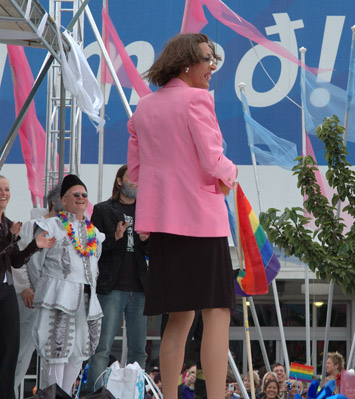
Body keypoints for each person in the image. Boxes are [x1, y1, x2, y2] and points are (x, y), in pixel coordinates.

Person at [127, 33, 237, 399]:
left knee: (178, 317)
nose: (212, 67)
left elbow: (136, 172)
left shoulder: (144, 107)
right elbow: (213, 159)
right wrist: (229, 175)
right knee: (217, 312)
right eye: (208, 59)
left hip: (160, 225)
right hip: (202, 223)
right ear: (187, 63)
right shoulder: (197, 100)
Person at [31, 175, 105, 392]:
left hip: (85, 299)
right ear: (63, 200)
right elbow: (35, 264)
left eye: (84, 195)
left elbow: (94, 263)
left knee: (77, 352)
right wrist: (43, 292)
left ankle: (67, 395)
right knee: (56, 353)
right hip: (57, 298)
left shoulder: (94, 233)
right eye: (76, 194)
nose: (81, 198)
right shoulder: (50, 225)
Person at [83, 165, 150, 394]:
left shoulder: (148, 210)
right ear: (119, 181)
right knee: (102, 348)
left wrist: (145, 240)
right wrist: (114, 237)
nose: (135, 181)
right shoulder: (103, 210)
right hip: (111, 288)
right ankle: (97, 395)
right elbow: (93, 248)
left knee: (139, 350)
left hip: (140, 288)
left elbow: (155, 251)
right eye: (131, 177)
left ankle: (135, 393)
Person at [0, 176, 56, 399]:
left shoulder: (7, 223)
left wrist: (35, 245)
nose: (4, 193)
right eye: (0, 189)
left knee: (10, 350)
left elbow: (15, 261)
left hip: (6, 292)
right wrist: (10, 239)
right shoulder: (9, 229)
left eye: (7, 189)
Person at [13, 185, 62, 396]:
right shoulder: (33, 225)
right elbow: (19, 257)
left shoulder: (73, 229)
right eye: (67, 195)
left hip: (58, 302)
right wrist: (25, 287)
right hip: (31, 301)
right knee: (20, 356)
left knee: (53, 359)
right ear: (54, 200)